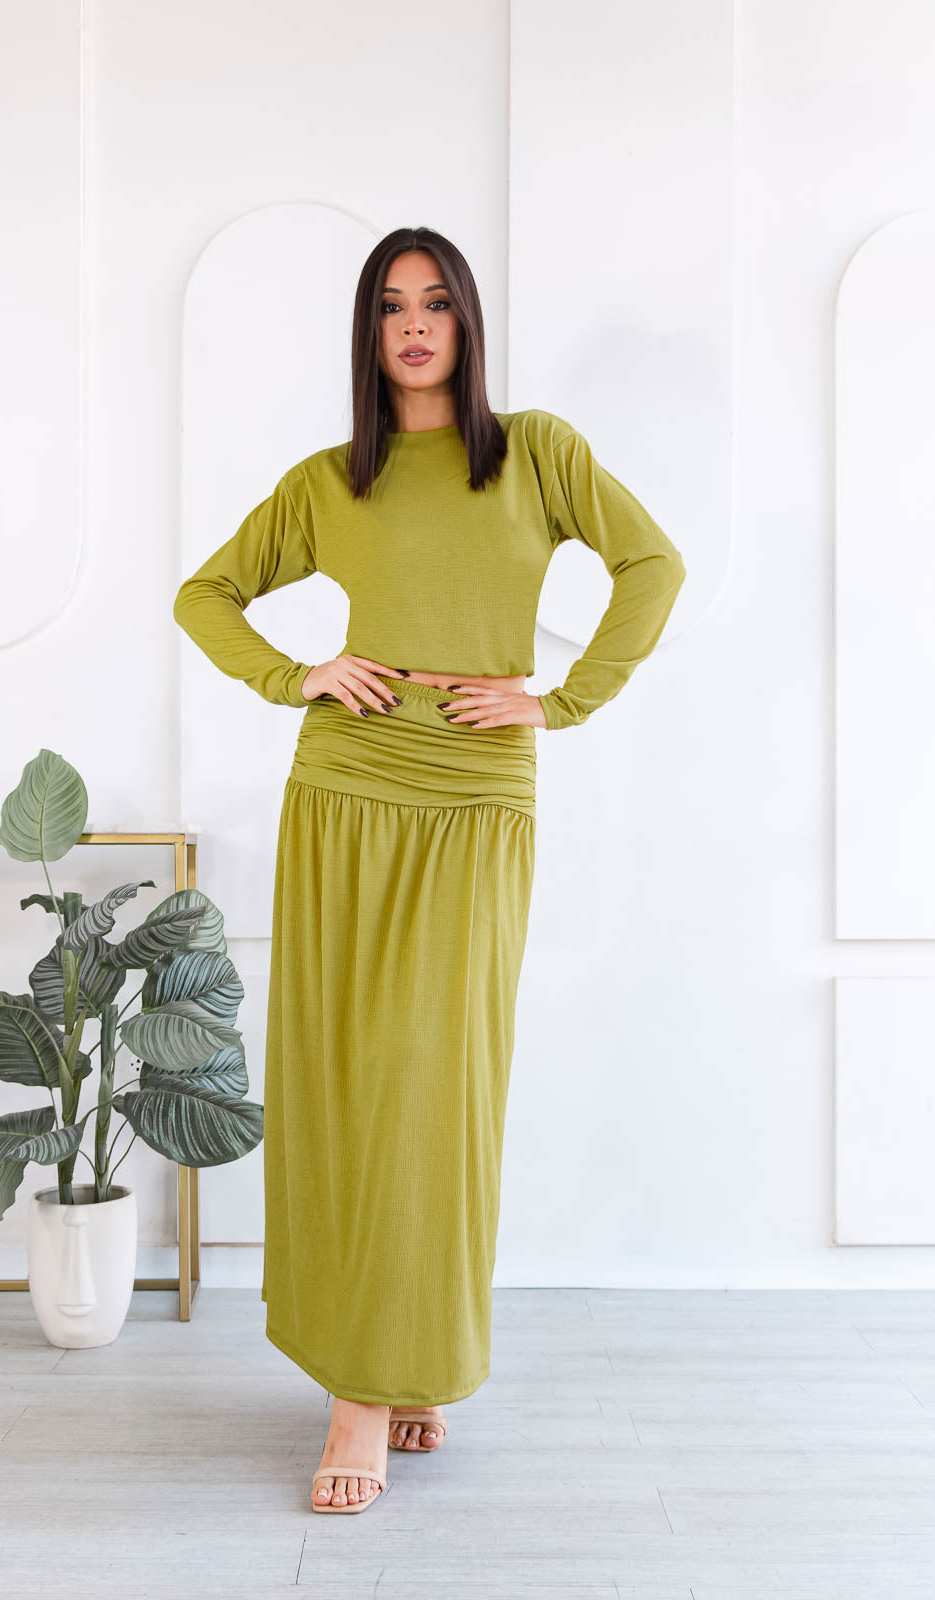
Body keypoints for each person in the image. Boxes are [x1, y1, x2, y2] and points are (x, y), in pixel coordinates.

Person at [173, 226, 686, 1515]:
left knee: (435, 1082)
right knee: (350, 1079)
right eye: (392, 305)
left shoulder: (536, 454)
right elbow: (206, 595)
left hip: (478, 794)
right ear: (369, 330)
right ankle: (363, 1390)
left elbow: (653, 564)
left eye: (437, 302)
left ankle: (409, 1357)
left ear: (467, 322)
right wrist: (297, 674)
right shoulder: (328, 482)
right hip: (348, 789)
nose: (414, 324)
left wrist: (560, 699)